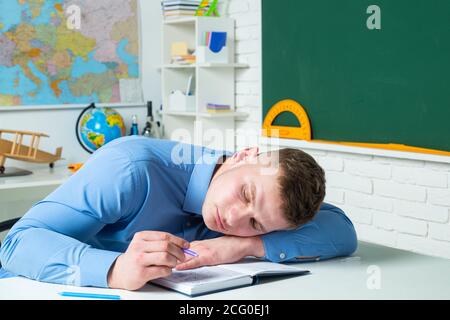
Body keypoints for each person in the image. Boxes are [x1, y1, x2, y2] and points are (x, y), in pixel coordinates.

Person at [0, 136, 357, 291]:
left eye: (254, 223)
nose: (233, 219)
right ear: (245, 155)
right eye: (245, 193)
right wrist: (113, 269)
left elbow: (341, 231)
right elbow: (18, 244)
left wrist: (240, 247)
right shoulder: (131, 169)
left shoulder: (263, 205)